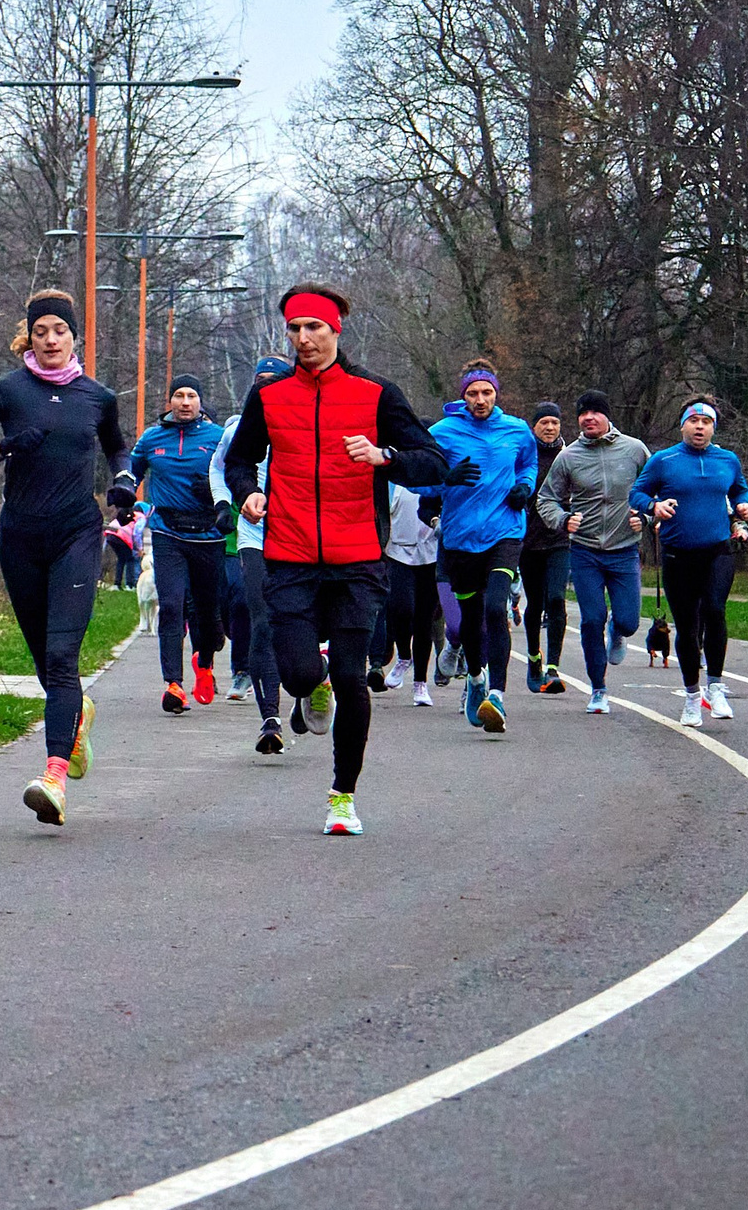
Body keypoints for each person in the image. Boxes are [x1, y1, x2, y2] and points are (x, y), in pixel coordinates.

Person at [222, 285, 445, 836]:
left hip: (359, 558)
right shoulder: (270, 397)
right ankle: (310, 685)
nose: (304, 339)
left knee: (351, 676)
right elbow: (239, 459)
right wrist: (247, 491)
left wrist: (382, 456)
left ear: (335, 330)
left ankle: (342, 796)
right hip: (290, 553)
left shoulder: (375, 394)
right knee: (299, 672)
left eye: (314, 328)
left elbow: (431, 461)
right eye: (295, 329)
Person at [0, 291, 125, 827]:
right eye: (42, 331)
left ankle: (53, 779)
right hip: (20, 538)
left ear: (75, 338)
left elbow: (119, 447)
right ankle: (76, 717)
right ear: (30, 336)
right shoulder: (7, 391)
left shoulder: (98, 397)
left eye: (60, 332)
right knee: (45, 659)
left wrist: (124, 479)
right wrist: (6, 448)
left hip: (76, 535)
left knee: (61, 659)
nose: (51, 340)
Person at [422, 360, 539, 733]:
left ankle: (498, 695)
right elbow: (416, 482)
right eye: (473, 393)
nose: (480, 399)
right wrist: (445, 478)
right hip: (459, 538)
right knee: (470, 619)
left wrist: (525, 487)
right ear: (463, 396)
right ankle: (475, 679)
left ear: (496, 393)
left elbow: (528, 464)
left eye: (486, 392)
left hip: (505, 532)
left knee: (494, 608)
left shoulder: (517, 430)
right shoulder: (443, 433)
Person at [630, 395, 748, 726]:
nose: (700, 427)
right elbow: (636, 494)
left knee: (714, 610)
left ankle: (715, 686)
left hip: (716, 551)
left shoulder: (727, 460)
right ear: (683, 425)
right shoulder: (664, 460)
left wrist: (743, 507)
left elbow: (740, 490)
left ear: (713, 427)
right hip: (677, 554)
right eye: (694, 421)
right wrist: (654, 507)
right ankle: (691, 696)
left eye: (707, 422)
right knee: (686, 626)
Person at [537, 390, 650, 713]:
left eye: (595, 412)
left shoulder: (634, 450)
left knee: (628, 621)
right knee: (591, 620)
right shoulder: (569, 457)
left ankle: (619, 630)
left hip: (624, 548)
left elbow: (656, 491)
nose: (588, 418)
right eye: (583, 414)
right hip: (585, 551)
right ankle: (598, 689)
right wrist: (562, 519)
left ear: (607, 416)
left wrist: (645, 516)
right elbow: (546, 499)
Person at [129, 374, 230, 714]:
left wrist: (219, 493)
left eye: (191, 396)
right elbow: (131, 471)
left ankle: (205, 661)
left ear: (200, 402)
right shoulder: (152, 437)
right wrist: (125, 493)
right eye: (179, 396)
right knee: (170, 605)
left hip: (209, 534)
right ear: (169, 401)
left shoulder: (218, 437)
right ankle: (173, 684)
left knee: (207, 613)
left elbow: (239, 473)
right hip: (167, 532)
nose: (185, 402)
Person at [208, 357, 293, 753]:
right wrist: (226, 502)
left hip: (302, 535)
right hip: (254, 532)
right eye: (259, 382)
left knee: (298, 624)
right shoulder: (236, 428)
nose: (265, 389)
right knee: (259, 616)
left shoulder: (303, 421)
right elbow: (219, 467)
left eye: (273, 381)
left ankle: (313, 680)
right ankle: (270, 718)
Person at [520, 401, 572, 694]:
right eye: (544, 423)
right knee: (535, 604)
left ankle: (553, 667)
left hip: (559, 539)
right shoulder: (526, 455)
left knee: (555, 599)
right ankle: (533, 657)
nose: (550, 428)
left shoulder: (569, 456)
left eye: (554, 423)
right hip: (529, 540)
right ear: (534, 426)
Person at [377, 483, 443, 708]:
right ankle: (404, 656)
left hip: (430, 554)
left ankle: (420, 683)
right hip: (398, 552)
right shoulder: (393, 477)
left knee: (424, 621)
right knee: (400, 608)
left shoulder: (436, 470)